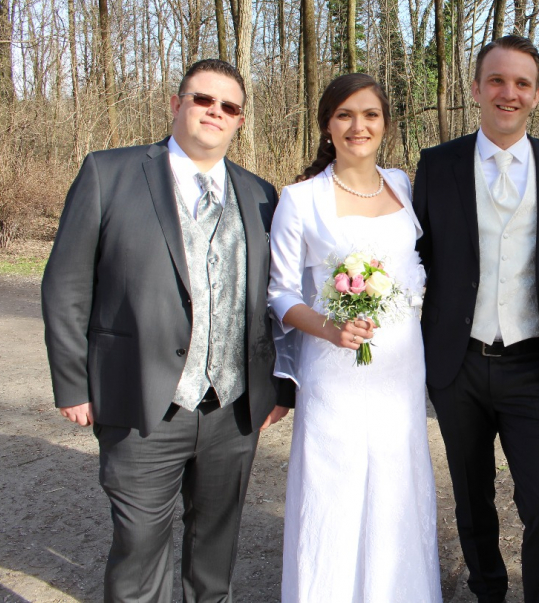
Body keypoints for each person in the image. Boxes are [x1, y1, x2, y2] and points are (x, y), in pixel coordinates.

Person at [41, 58, 294, 602]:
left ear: (240, 120)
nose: (215, 111)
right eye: (203, 99)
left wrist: (280, 387)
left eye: (229, 106)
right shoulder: (109, 173)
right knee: (139, 552)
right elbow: (66, 284)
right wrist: (74, 384)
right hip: (140, 399)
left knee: (215, 554)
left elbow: (277, 299)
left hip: (234, 407)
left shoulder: (261, 195)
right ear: (177, 104)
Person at [412, 35, 539, 603]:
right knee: (472, 495)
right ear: (476, 88)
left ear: (536, 94)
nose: (508, 93)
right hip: (457, 363)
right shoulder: (438, 164)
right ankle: (488, 591)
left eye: (522, 83)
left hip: (531, 364)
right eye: (497, 80)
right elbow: (415, 256)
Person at [267, 73, 442, 602]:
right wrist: (329, 327)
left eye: (370, 114)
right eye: (344, 114)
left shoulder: (402, 184)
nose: (357, 126)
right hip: (334, 369)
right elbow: (280, 294)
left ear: (386, 123)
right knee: (334, 488)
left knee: (397, 484)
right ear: (327, 124)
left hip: (401, 367)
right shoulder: (300, 199)